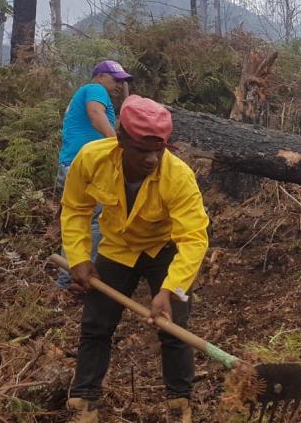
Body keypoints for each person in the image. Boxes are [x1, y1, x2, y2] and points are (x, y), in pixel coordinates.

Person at [63, 95, 210, 423]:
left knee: (174, 327)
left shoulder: (178, 176)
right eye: (143, 150)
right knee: (96, 325)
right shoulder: (92, 159)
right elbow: (75, 207)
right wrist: (79, 257)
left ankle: (179, 405)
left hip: (165, 250)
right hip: (118, 247)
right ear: (121, 139)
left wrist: (170, 290)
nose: (152, 159)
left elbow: (193, 238)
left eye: (159, 150)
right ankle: (84, 402)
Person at [56, 60, 132, 288]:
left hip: (76, 163)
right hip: (83, 166)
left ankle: (69, 279)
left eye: (121, 81)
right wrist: (118, 145)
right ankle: (76, 279)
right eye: (114, 79)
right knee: (95, 220)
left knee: (79, 218)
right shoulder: (95, 89)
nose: (117, 84)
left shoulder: (88, 93)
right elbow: (96, 114)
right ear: (100, 76)